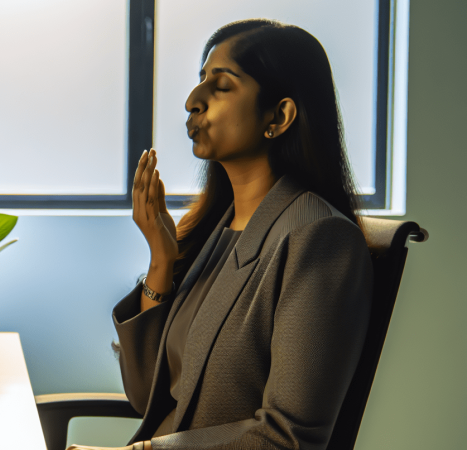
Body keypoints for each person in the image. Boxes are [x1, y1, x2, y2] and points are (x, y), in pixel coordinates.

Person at [68, 19, 374, 450]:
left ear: (279, 115)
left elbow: (287, 438)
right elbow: (146, 398)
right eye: (200, 82)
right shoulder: (222, 229)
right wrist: (161, 260)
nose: (193, 101)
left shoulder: (318, 239)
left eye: (222, 85)